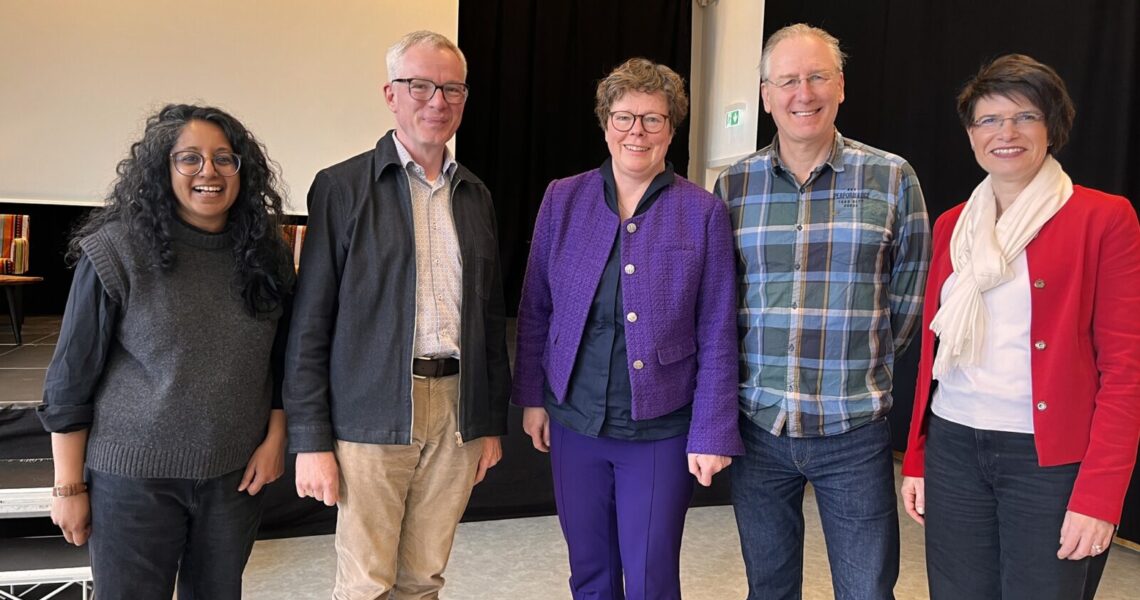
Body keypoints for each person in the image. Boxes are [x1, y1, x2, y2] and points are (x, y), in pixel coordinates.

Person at [899, 53, 1140, 599]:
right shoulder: (954, 225)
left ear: (1051, 128)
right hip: (955, 446)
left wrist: (1100, 497)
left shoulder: (1103, 218)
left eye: (1025, 116)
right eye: (988, 120)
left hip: (1048, 462)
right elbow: (933, 355)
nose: (1005, 133)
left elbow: (1127, 369)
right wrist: (917, 456)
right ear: (971, 133)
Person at [283, 30, 510, 599]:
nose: (437, 101)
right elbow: (310, 322)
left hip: (457, 412)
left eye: (452, 89)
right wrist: (310, 439)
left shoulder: (475, 194)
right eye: (420, 86)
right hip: (371, 409)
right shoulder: (341, 187)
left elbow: (488, 315)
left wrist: (489, 424)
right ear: (390, 94)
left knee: (424, 578)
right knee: (366, 582)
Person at [37, 103, 294, 599]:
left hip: (233, 479)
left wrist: (276, 437)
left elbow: (282, 361)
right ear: (163, 169)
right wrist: (68, 487)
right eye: (189, 158)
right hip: (132, 482)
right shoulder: (117, 249)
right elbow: (71, 377)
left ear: (243, 170)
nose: (209, 172)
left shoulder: (266, 257)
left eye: (225, 158)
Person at [714, 23, 931, 600]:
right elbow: (718, 302)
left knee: (866, 590)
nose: (801, 93)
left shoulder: (891, 177)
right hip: (758, 424)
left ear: (840, 87)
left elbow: (910, 296)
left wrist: (860, 363)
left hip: (853, 429)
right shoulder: (733, 186)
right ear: (765, 95)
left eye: (816, 77)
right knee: (769, 587)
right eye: (787, 80)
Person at [513, 57, 743, 600]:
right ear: (604, 122)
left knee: (650, 576)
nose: (636, 131)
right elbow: (536, 307)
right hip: (575, 421)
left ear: (671, 128)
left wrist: (711, 432)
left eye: (653, 119)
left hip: (660, 429)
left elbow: (716, 329)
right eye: (623, 117)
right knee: (589, 569)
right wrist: (533, 398)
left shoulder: (702, 211)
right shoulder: (562, 198)